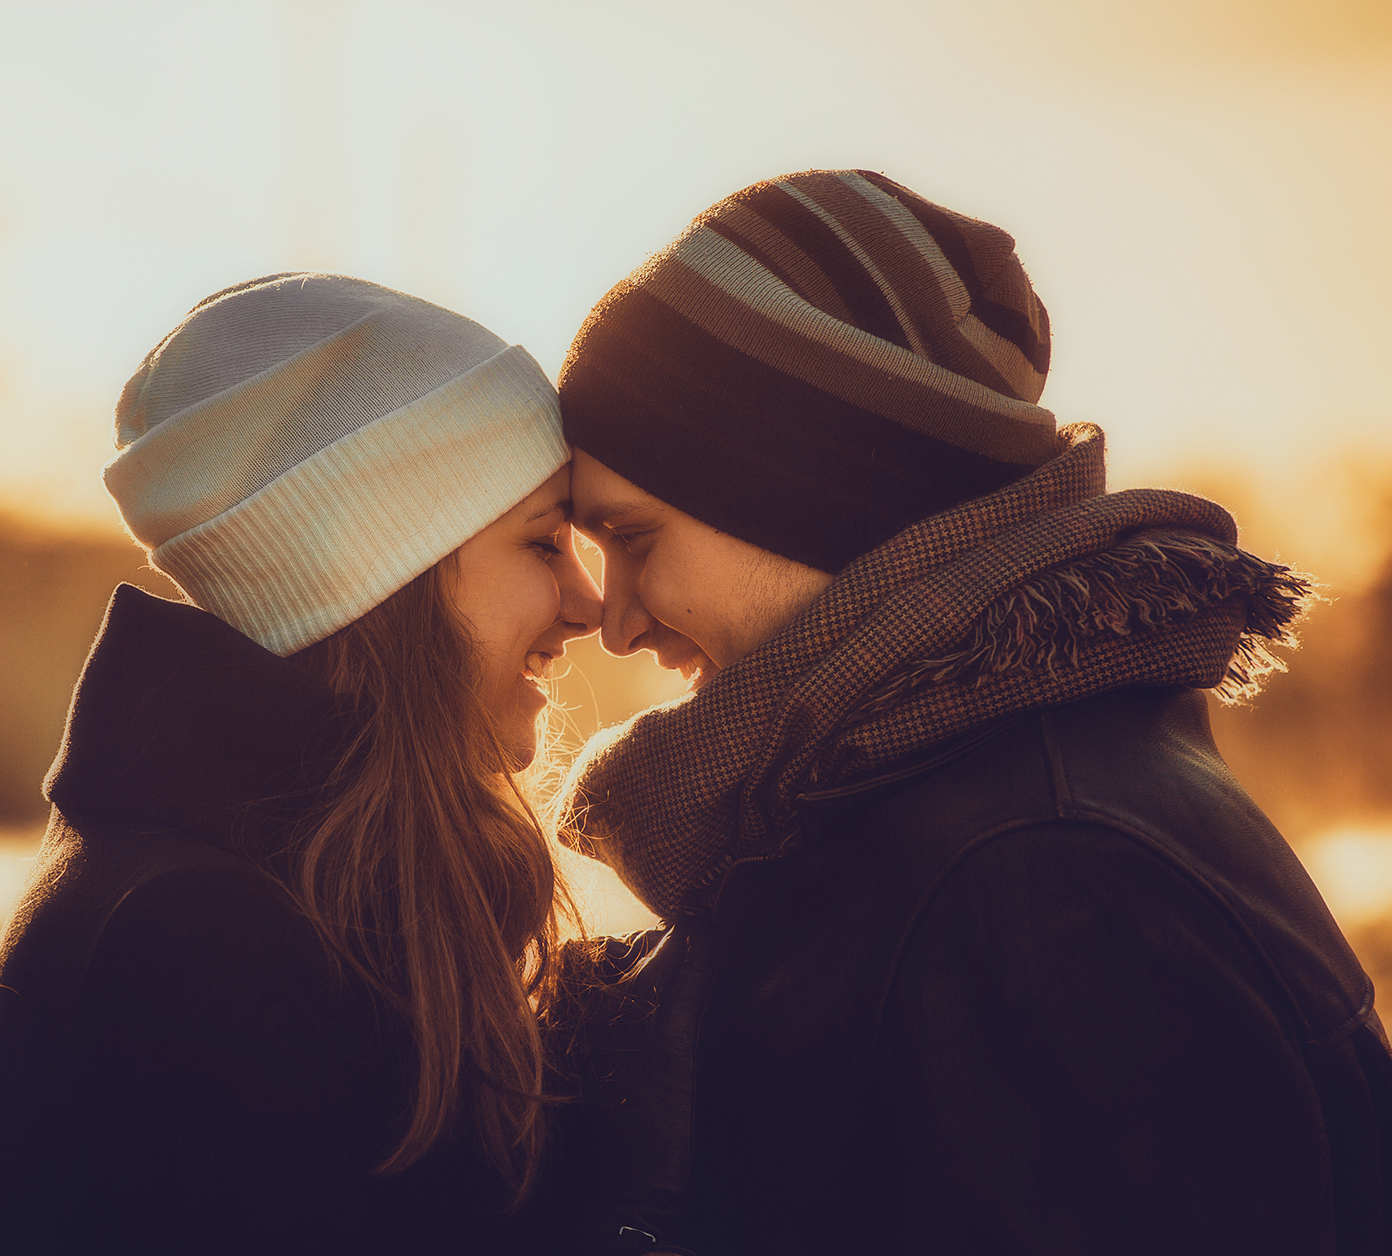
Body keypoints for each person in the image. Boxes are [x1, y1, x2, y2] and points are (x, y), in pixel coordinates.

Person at [548, 170, 1392, 1255]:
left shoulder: (1041, 875)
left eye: (635, 539)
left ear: (800, 490)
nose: (613, 624)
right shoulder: (971, 805)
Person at [0, 273, 602, 1255]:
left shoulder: (251, 890)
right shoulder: (197, 943)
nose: (587, 603)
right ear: (384, 572)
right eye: (544, 540)